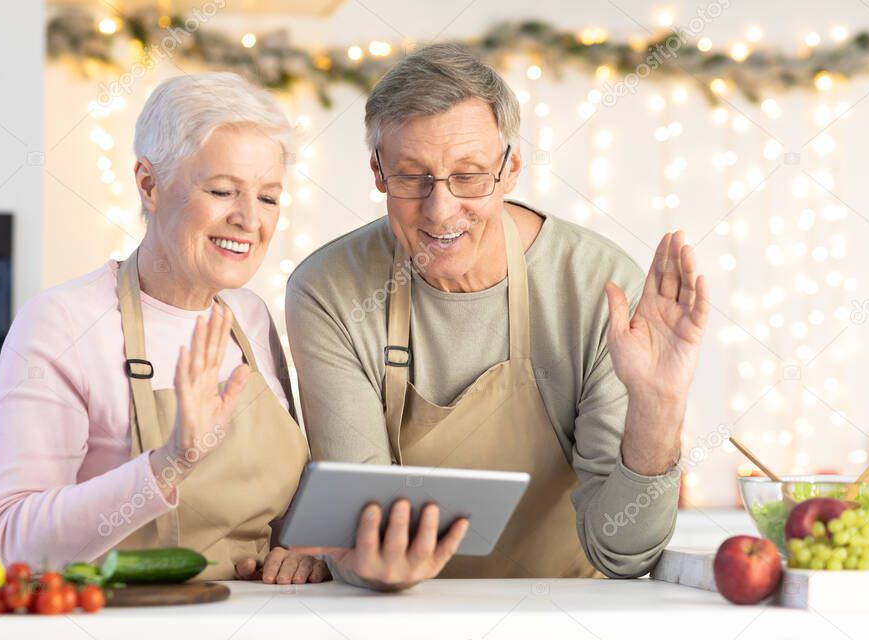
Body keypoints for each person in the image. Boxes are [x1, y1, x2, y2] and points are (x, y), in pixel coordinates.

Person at [286, 43, 709, 585]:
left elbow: (624, 552)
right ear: (377, 171)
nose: (441, 211)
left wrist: (659, 404)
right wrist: (368, 567)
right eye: (412, 176)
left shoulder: (597, 286)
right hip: (400, 615)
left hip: (565, 615)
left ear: (510, 168)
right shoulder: (329, 290)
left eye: (469, 176)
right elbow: (356, 531)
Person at [0, 72, 326, 583]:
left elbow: (281, 509)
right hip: (117, 622)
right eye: (224, 190)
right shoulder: (62, 323)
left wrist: (304, 546)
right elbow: (16, 540)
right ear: (149, 184)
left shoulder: (250, 316)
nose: (250, 220)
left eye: (269, 198)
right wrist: (170, 461)